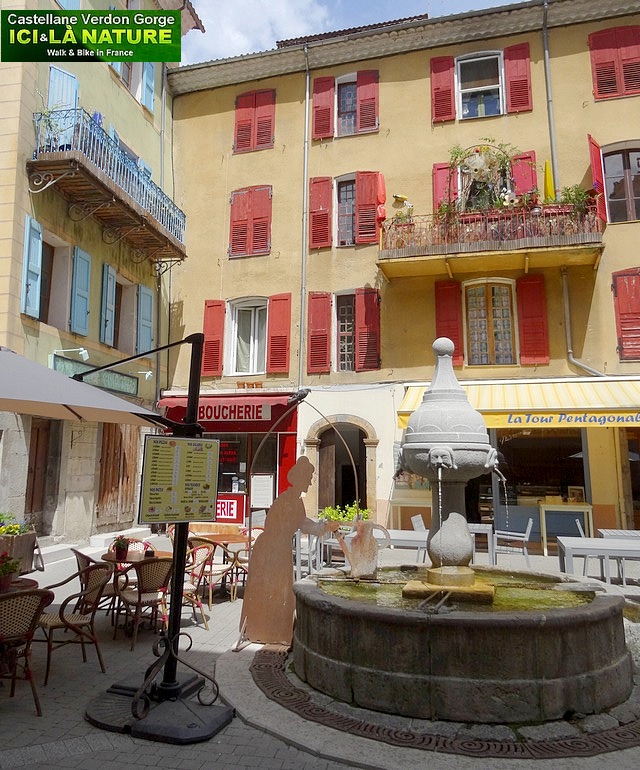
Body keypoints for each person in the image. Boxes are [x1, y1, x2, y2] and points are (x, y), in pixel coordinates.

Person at [239, 456, 339, 645]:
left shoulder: (293, 499)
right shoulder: (289, 500)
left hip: (276, 548)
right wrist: (325, 527)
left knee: (277, 590)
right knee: (272, 589)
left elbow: (305, 524)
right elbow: (303, 526)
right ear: (301, 478)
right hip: (271, 550)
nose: (311, 481)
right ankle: (266, 631)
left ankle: (271, 630)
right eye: (309, 477)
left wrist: (326, 527)